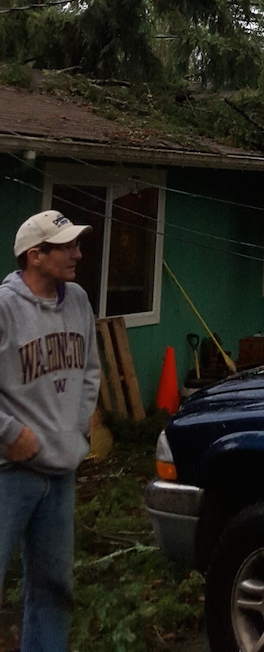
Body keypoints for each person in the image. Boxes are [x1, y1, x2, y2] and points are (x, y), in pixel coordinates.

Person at [0, 210, 100, 652]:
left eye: (77, 245)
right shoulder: (4, 308)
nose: (78, 253)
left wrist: (75, 432)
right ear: (35, 255)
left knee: (53, 588)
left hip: (60, 473)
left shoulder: (77, 300)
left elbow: (91, 372)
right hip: (9, 471)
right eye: (67, 247)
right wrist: (8, 433)